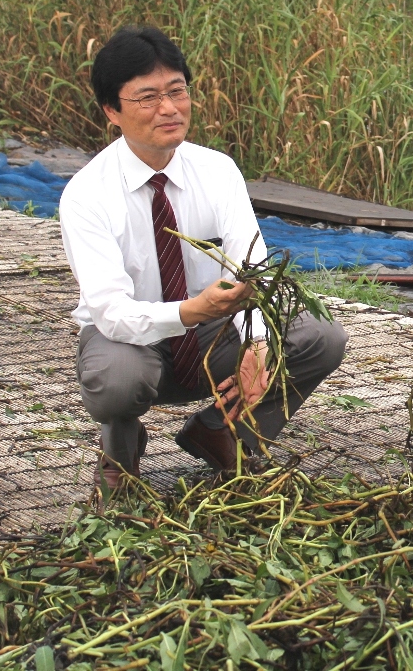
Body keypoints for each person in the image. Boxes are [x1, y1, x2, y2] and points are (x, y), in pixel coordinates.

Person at [60, 26, 347, 489]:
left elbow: (252, 271)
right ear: (112, 111)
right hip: (135, 340)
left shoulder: (217, 171)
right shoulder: (86, 195)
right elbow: (111, 312)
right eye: (148, 97)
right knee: (116, 380)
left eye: (177, 91)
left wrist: (256, 342)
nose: (169, 108)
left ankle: (223, 434)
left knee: (320, 337)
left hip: (215, 333)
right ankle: (119, 453)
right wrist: (190, 311)